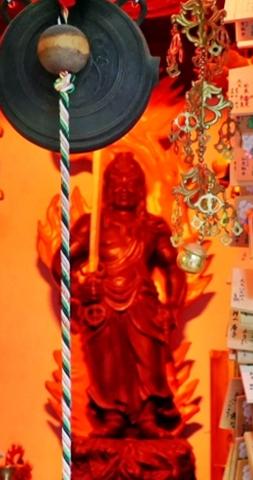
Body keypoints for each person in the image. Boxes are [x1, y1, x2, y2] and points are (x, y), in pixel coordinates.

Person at [69, 151, 185, 438]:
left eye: (131, 182)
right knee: (107, 364)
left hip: (142, 302)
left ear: (140, 188)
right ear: (107, 188)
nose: (124, 188)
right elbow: (60, 263)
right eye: (117, 182)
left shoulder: (153, 227)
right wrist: (80, 288)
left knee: (148, 361)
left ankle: (148, 416)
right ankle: (113, 415)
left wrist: (172, 305)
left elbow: (174, 269)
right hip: (102, 305)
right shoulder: (91, 225)